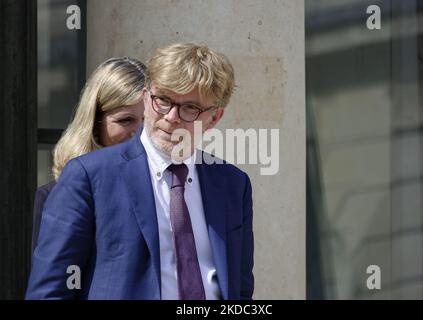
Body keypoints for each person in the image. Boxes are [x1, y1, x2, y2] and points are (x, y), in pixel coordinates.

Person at [26, 43, 254, 300]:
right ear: (146, 98)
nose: (171, 117)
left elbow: (241, 291)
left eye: (190, 107)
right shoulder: (89, 176)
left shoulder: (234, 184)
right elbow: (49, 292)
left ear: (214, 118)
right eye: (163, 101)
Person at [31, 57, 146, 254]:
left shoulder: (168, 190)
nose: (140, 133)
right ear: (95, 123)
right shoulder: (56, 195)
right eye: (126, 120)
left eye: (148, 121)